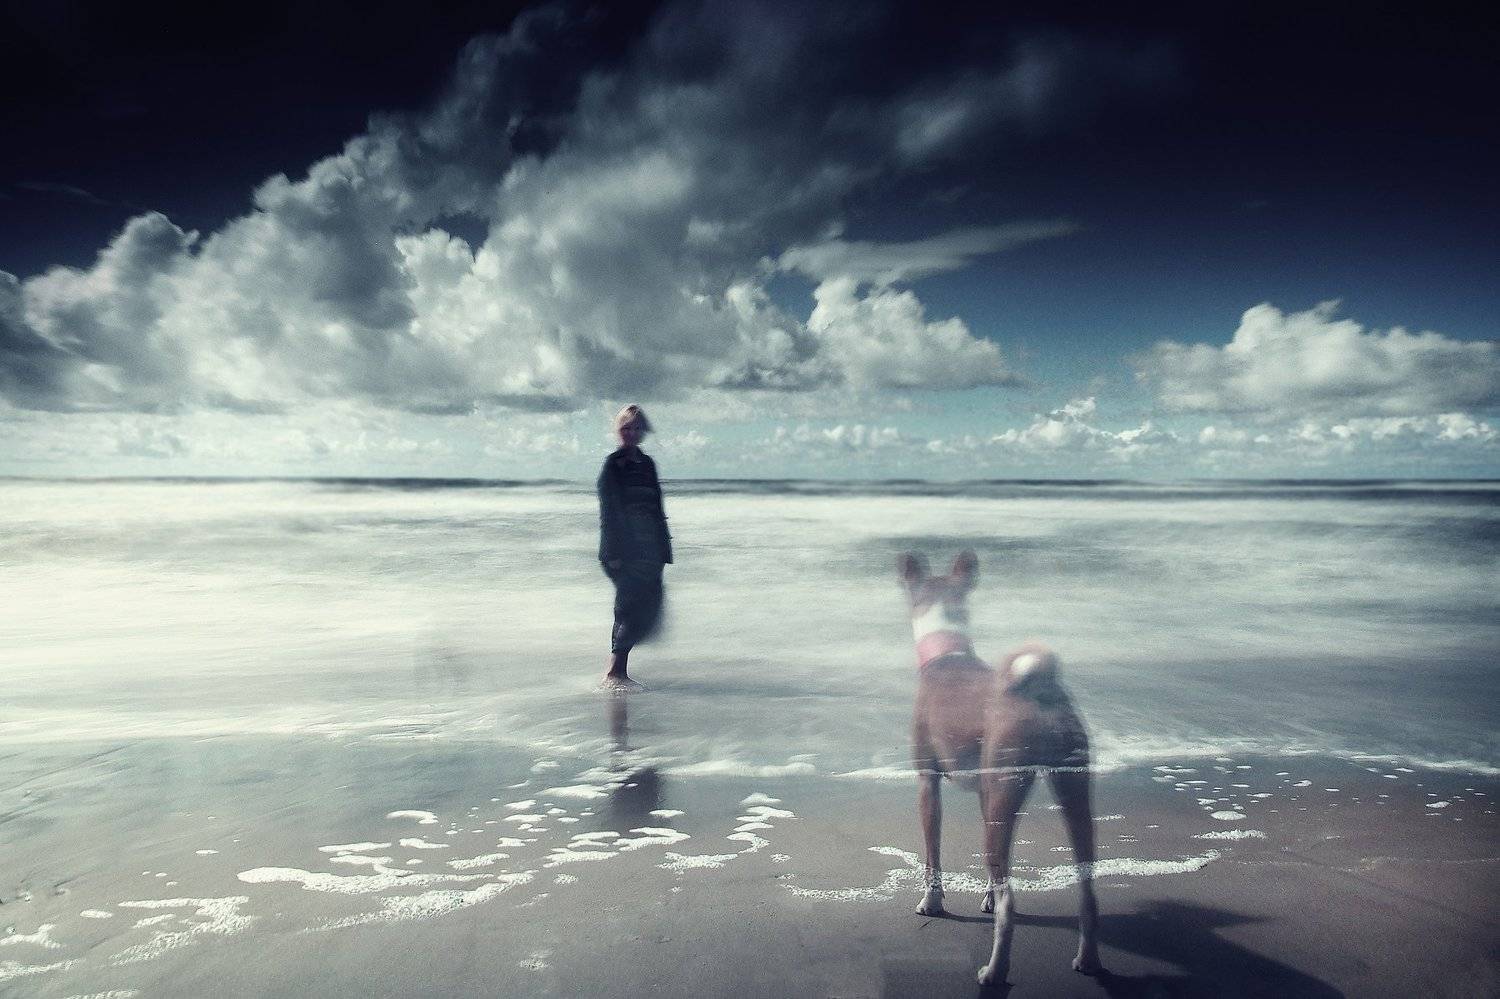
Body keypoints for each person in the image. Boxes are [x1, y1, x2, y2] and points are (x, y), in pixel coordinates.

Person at [597, 404, 672, 687]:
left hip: (650, 549)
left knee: (649, 605)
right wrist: (612, 553)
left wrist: (663, 549)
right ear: (618, 431)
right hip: (623, 551)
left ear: (643, 432)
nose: (631, 433)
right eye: (625, 427)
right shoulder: (612, 466)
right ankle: (615, 673)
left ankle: (619, 669)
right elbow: (609, 512)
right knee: (628, 607)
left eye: (636, 427)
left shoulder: (647, 464)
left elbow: (656, 506)